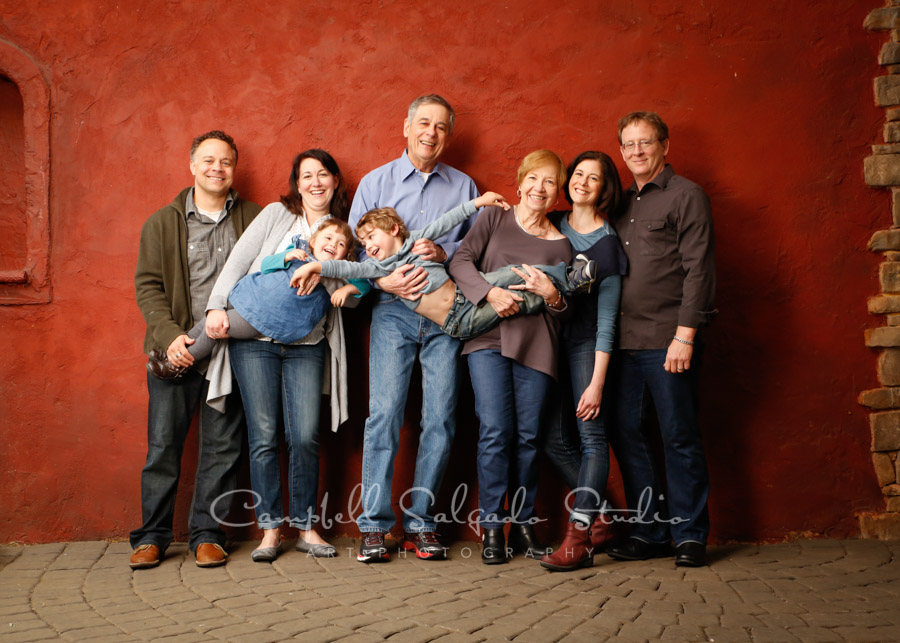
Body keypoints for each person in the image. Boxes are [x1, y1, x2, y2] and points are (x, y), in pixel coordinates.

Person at [205, 149, 357, 562]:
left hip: (307, 344)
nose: (315, 182)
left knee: (305, 435)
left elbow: (360, 287)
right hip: (254, 343)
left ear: (335, 180)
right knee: (264, 435)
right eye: (306, 175)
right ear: (297, 182)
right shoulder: (276, 214)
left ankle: (306, 528)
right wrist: (217, 307)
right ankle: (271, 530)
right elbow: (238, 261)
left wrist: (346, 287)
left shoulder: (347, 230)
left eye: (323, 173)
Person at [348, 94, 479, 563]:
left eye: (441, 127)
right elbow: (356, 251)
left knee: (440, 420)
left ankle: (422, 524)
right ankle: (374, 527)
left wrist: (445, 255)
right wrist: (386, 278)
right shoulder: (375, 183)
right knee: (383, 415)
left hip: (446, 316)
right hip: (391, 314)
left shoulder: (464, 187)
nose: (431, 133)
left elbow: (472, 251)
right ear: (406, 126)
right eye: (424, 123)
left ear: (448, 135)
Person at [130, 130, 261, 570]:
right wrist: (170, 336)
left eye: (225, 161)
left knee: (223, 449)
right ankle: (151, 536)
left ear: (233, 168)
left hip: (229, 353)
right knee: (163, 446)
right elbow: (148, 286)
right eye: (208, 160)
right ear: (192, 165)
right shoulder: (162, 222)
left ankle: (208, 534)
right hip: (177, 351)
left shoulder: (253, 218)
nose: (216, 168)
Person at [450, 149, 573, 565]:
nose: (540, 188)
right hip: (487, 340)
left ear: (558, 194)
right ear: (519, 183)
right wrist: (490, 292)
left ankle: (522, 525)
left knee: (527, 438)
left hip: (539, 346)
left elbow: (563, 308)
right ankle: (491, 530)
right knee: (495, 431)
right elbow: (460, 260)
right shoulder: (494, 218)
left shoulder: (563, 244)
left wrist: (553, 296)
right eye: (533, 179)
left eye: (550, 182)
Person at [605, 111, 717, 568]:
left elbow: (700, 270)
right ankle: (650, 532)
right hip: (621, 342)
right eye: (628, 144)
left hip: (668, 340)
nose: (636, 152)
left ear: (665, 147)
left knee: (678, 436)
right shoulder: (619, 202)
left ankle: (690, 537)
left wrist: (685, 337)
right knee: (628, 435)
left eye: (645, 143)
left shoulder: (687, 196)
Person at [292, 194, 596, 340]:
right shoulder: (380, 269)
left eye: (372, 236)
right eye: (363, 241)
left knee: (514, 271)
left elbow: (447, 220)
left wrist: (478, 203)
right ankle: (562, 288)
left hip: (468, 296)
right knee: (518, 299)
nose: (368, 245)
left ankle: (573, 277)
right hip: (458, 322)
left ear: (394, 230)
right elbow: (348, 270)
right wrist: (315, 267)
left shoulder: (417, 241)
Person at [538, 152, 629, 572]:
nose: (583, 183)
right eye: (578, 174)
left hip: (584, 347)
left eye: (594, 178)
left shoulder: (608, 246)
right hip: (546, 344)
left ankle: (578, 540)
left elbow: (608, 321)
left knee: (591, 438)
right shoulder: (550, 223)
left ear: (604, 187)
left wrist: (596, 382)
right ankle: (605, 517)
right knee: (554, 441)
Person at [146, 219, 367, 379]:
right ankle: (174, 352)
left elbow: (362, 287)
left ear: (345, 254)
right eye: (328, 238)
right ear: (313, 241)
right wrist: (285, 256)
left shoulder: (338, 273)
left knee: (216, 328)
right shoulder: (298, 250)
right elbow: (266, 265)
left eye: (341, 244)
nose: (333, 245)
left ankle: (176, 366)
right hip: (251, 294)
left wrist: (345, 290)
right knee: (207, 323)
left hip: (264, 319)